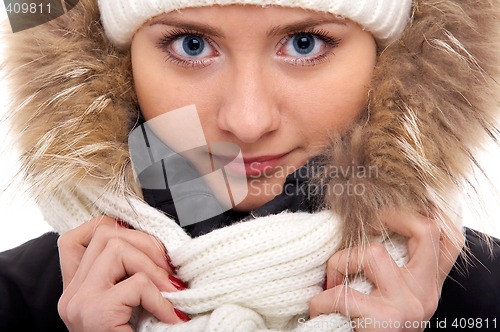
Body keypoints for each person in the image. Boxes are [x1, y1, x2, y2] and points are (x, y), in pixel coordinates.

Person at [0, 0, 499, 331]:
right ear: (120, 63)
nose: (247, 120)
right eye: (191, 45)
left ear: (393, 60)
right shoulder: (19, 300)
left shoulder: (484, 301)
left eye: (305, 43)